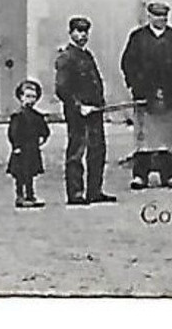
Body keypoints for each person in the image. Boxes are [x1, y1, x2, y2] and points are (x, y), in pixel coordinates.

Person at [119, 0, 172, 189]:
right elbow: (128, 64)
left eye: (164, 16)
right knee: (144, 138)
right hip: (145, 95)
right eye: (157, 16)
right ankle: (140, 176)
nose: (161, 19)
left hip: (170, 95)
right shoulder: (138, 37)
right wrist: (136, 87)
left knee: (168, 138)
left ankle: (168, 175)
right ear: (149, 16)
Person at [54, 16, 116, 206]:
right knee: (77, 152)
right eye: (78, 31)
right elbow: (62, 89)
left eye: (85, 32)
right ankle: (76, 193)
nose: (82, 35)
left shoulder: (87, 55)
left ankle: (94, 191)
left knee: (97, 150)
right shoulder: (66, 57)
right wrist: (80, 107)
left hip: (95, 111)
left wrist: (99, 104)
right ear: (70, 33)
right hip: (78, 113)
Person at [6, 79, 49, 208]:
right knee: (20, 175)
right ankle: (20, 196)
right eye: (27, 96)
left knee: (30, 174)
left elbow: (44, 130)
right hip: (21, 150)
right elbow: (13, 132)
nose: (30, 100)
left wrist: (43, 137)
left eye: (33, 97)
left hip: (32, 149)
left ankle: (30, 195)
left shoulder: (37, 116)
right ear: (21, 97)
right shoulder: (17, 116)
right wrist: (16, 146)